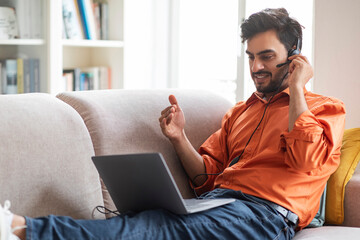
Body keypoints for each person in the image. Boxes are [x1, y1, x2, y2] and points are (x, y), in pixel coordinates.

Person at [0, 8, 345, 240]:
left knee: (157, 229)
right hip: (220, 201)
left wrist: (297, 88)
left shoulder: (325, 110)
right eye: (251, 57)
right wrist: (178, 138)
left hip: (267, 215)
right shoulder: (240, 113)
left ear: (294, 55)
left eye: (267, 57)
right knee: (143, 220)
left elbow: (305, 161)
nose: (256, 67)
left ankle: (21, 229)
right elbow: (204, 180)